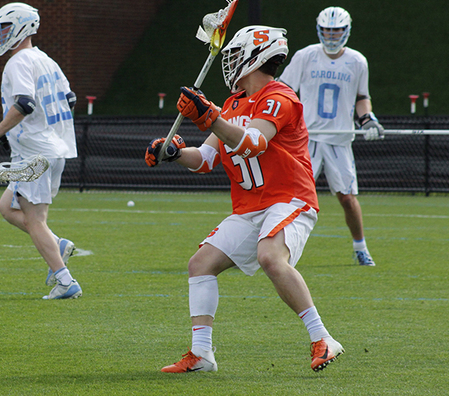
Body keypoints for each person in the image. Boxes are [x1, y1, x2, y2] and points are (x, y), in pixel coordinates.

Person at [145, 25, 343, 373]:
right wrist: (173, 152)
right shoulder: (233, 103)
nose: (231, 61)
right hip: (251, 206)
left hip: (289, 199)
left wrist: (210, 117)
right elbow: (205, 159)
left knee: (270, 256)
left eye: (236, 54)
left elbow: (253, 142)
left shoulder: (279, 97)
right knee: (200, 264)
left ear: (257, 56)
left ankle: (322, 338)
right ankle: (202, 354)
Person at [0, 2, 81, 300]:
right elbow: (70, 99)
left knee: (35, 220)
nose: (0, 35)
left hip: (35, 153)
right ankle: (57, 245)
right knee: (7, 207)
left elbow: (25, 103)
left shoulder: (18, 62)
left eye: (5, 28)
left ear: (23, 27)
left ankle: (65, 281)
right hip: (52, 149)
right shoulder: (46, 59)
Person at [278, 7, 383, 266]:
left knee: (347, 198)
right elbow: (284, 90)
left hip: (339, 139)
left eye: (336, 30)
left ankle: (360, 247)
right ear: (319, 29)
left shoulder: (357, 61)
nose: (331, 35)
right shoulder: (305, 56)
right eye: (327, 30)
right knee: (293, 198)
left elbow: (362, 97)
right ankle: (277, 249)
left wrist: (368, 119)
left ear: (346, 31)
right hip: (306, 139)